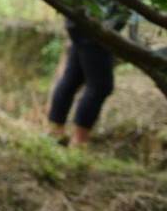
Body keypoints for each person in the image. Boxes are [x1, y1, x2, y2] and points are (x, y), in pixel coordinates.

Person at [47, 16, 121, 147]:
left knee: (74, 77)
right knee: (101, 86)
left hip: (81, 23)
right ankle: (79, 141)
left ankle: (56, 132)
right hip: (95, 26)